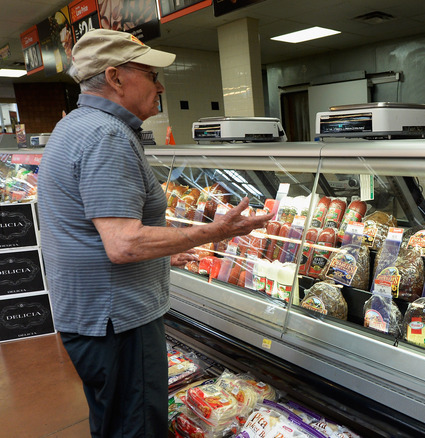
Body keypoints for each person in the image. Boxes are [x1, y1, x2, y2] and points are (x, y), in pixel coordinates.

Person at [37, 29, 274, 437]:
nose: (160, 85)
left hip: (91, 317)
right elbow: (124, 243)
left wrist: (163, 251)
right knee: (136, 428)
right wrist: (213, 231)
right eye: (149, 73)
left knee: (111, 423)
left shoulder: (74, 125)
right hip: (117, 323)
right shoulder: (106, 135)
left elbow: (95, 231)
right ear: (114, 77)